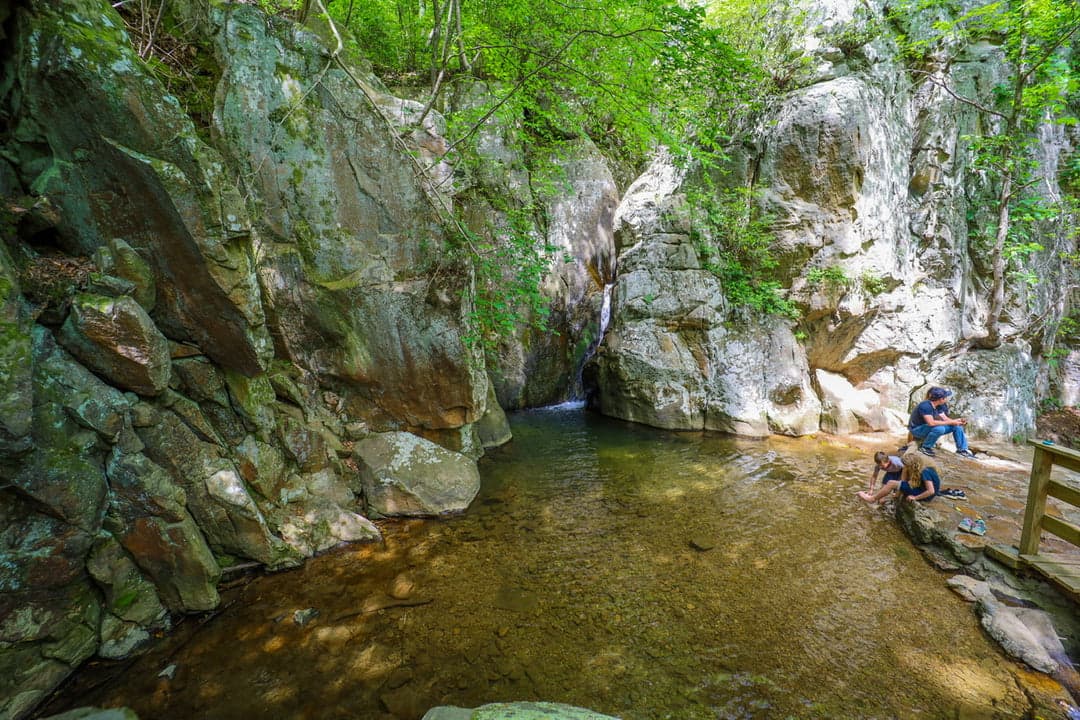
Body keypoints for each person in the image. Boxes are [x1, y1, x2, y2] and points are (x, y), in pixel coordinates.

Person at [908, 386, 974, 458]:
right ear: (941, 399)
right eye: (946, 397)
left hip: (927, 428)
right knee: (940, 429)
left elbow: (945, 419)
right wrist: (951, 422)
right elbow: (931, 423)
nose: (947, 398)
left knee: (957, 426)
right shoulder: (925, 406)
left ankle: (962, 450)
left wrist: (957, 421)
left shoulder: (938, 405)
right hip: (917, 430)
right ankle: (925, 447)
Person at [858, 450, 943, 504]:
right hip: (921, 489)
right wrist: (899, 492)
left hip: (926, 495)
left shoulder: (924, 472)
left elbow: (931, 491)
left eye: (906, 467)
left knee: (891, 483)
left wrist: (915, 498)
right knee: (889, 487)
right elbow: (905, 481)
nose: (905, 468)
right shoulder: (921, 469)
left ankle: (872, 499)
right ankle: (880, 498)